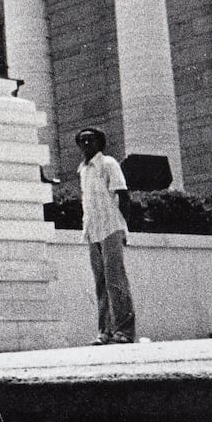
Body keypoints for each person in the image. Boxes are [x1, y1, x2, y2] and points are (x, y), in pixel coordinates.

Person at [76, 127, 136, 345]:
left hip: (111, 228)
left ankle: (125, 331)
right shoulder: (83, 170)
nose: (85, 145)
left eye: (90, 140)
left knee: (116, 281)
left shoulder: (109, 164)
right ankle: (105, 331)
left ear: (99, 143)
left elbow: (123, 195)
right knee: (100, 283)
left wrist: (122, 227)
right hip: (93, 231)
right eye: (82, 141)